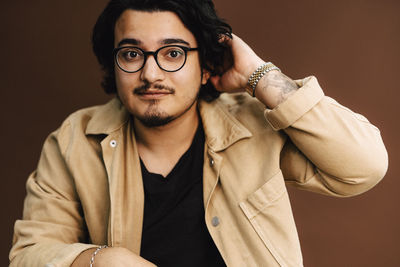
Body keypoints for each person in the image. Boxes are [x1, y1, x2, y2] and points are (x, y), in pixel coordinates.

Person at [9, 0, 388, 266]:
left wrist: (259, 76)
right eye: (131, 53)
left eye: (173, 53)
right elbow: (28, 255)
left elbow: (364, 166)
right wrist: (104, 260)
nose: (150, 74)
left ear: (206, 65)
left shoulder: (254, 124)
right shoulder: (75, 138)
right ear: (114, 61)